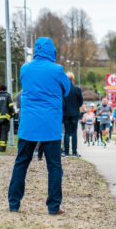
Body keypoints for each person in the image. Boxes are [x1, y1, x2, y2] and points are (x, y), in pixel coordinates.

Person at [8, 37, 70, 214]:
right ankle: (53, 206)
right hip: (50, 125)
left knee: (21, 163)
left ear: (36, 49)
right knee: (54, 167)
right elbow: (66, 89)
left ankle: (14, 203)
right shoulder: (57, 70)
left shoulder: (24, 69)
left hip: (28, 125)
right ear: (52, 51)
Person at [63, 71, 83, 157]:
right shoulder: (77, 89)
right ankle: (74, 151)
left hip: (65, 113)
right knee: (74, 132)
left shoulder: (63, 90)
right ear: (73, 79)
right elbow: (81, 102)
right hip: (75, 113)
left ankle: (66, 152)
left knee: (66, 132)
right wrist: (76, 107)